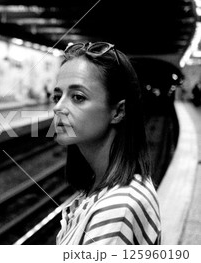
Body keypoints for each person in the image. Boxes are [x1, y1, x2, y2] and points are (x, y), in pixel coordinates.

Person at [52, 42, 160, 245]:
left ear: (118, 112)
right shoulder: (102, 188)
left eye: (77, 97)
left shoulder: (118, 209)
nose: (58, 107)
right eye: (57, 96)